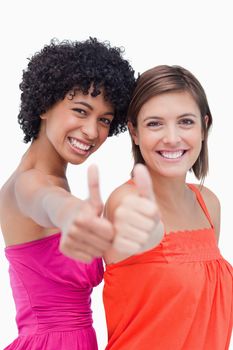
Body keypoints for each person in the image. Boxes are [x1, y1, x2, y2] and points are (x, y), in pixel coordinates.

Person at [0, 38, 136, 350]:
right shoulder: (28, 183)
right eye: (80, 110)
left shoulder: (55, 177)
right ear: (45, 105)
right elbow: (45, 202)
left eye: (104, 119)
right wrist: (72, 213)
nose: (92, 131)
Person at [103, 65, 233, 350]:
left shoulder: (208, 203)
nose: (172, 137)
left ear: (204, 127)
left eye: (186, 122)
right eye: (154, 124)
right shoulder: (127, 203)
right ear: (134, 132)